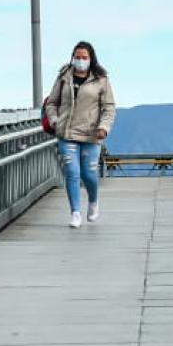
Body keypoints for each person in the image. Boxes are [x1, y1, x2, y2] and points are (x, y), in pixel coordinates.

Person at [43, 41, 116, 228]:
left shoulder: (101, 79)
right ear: (72, 57)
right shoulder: (63, 76)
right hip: (66, 132)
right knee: (72, 173)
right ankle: (75, 213)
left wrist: (104, 127)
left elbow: (108, 107)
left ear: (91, 59)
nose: (81, 61)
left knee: (89, 174)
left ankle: (93, 200)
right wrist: (54, 120)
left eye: (84, 57)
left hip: (92, 135)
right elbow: (51, 102)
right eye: (77, 57)